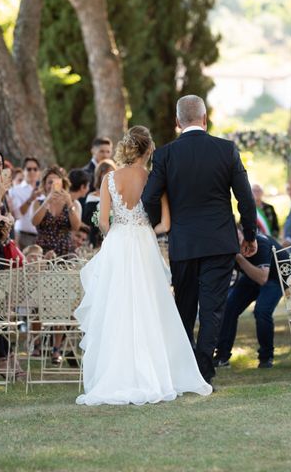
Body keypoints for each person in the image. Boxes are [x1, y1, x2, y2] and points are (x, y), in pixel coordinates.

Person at [75, 125, 211, 405]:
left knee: (117, 306)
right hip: (144, 244)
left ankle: (116, 373)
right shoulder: (153, 179)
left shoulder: (109, 179)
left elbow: (102, 221)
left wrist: (115, 232)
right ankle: (156, 371)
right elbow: (166, 223)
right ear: (149, 150)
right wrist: (146, 228)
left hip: (118, 243)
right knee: (150, 305)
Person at [142, 94, 257, 385]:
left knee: (185, 305)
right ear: (205, 119)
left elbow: (149, 197)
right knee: (213, 307)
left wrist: (161, 224)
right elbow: (245, 197)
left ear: (177, 122)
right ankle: (204, 368)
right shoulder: (226, 150)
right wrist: (251, 234)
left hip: (183, 243)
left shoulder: (166, 155)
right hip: (220, 242)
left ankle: (184, 367)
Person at [214, 231, 287, 369]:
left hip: (276, 276)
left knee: (261, 311)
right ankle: (222, 357)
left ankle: (266, 357)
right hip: (252, 275)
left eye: (239, 238)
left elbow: (262, 278)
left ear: (243, 232)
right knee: (230, 307)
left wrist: (239, 257)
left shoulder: (261, 243)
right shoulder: (225, 247)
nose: (237, 242)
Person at [31, 166, 81, 258]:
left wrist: (70, 203)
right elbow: (34, 222)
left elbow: (76, 227)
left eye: (56, 182)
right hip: (43, 253)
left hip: (66, 252)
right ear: (44, 185)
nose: (53, 185)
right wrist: (47, 201)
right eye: (50, 182)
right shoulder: (38, 203)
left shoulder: (73, 203)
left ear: (62, 184)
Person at [82, 160, 117, 248]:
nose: (109, 176)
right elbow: (86, 219)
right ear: (99, 176)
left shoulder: (119, 196)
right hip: (96, 238)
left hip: (116, 237)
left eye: (112, 173)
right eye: (105, 173)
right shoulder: (92, 196)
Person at [9, 157, 42, 250]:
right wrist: (30, 199)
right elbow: (17, 215)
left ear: (39, 172)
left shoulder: (43, 191)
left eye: (35, 169)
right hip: (22, 235)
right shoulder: (15, 190)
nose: (32, 172)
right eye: (29, 169)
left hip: (40, 237)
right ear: (23, 171)